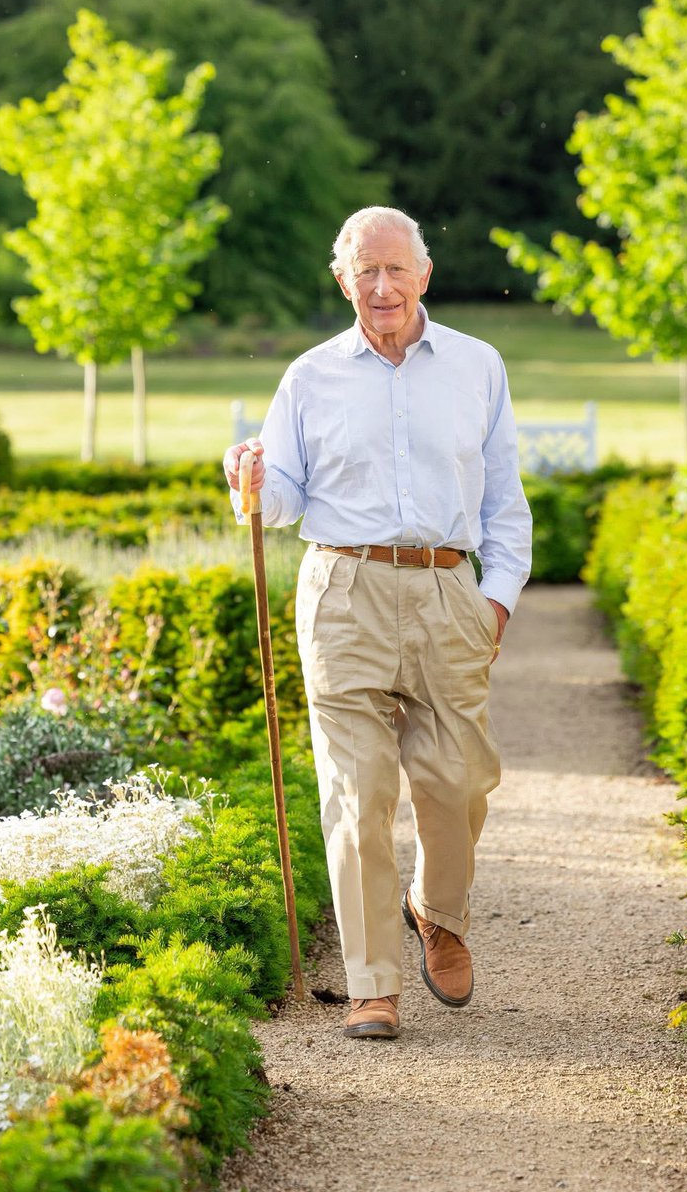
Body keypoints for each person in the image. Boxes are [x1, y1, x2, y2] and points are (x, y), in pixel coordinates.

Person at [224, 206, 532, 1041]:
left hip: (446, 593)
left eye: (397, 269)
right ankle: (372, 985)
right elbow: (281, 499)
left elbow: (504, 498)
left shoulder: (478, 366)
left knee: (460, 781)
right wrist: (249, 477)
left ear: (425, 274)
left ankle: (435, 910)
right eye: (366, 270)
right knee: (357, 794)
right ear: (342, 278)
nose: (383, 286)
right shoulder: (310, 376)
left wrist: (493, 598)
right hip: (344, 593)